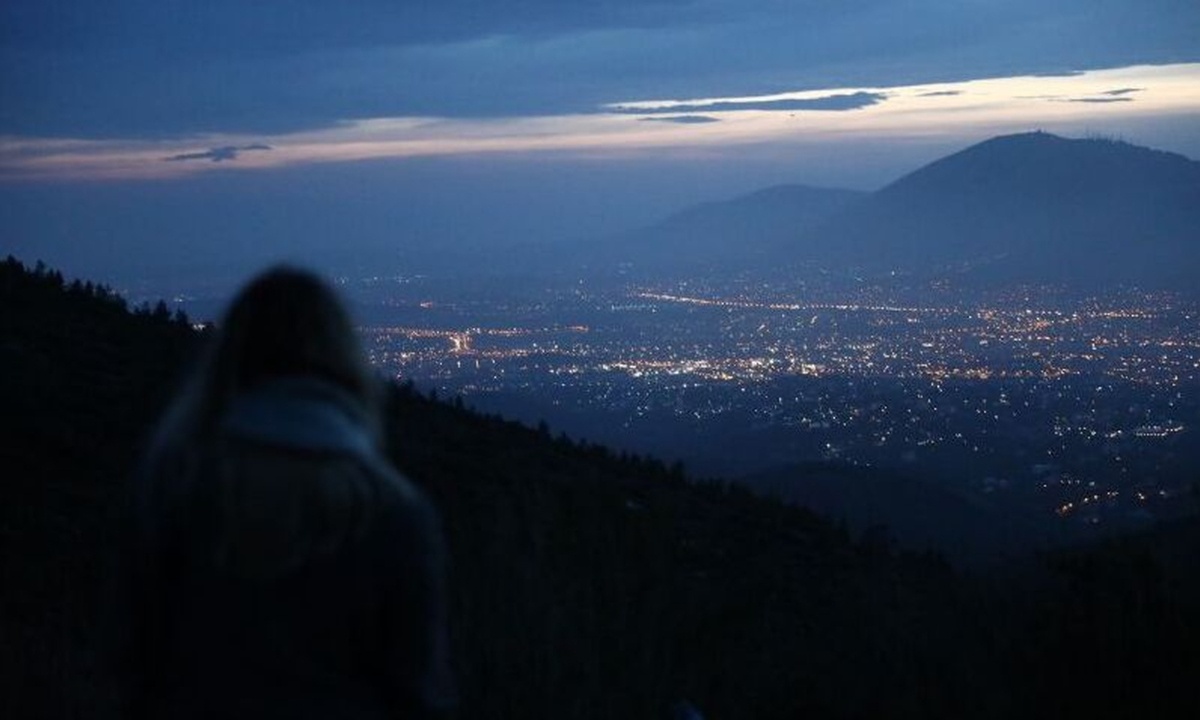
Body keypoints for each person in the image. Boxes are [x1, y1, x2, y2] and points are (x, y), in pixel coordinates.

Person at [113, 267, 455, 719]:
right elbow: (416, 692)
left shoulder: (173, 489)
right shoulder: (392, 511)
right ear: (345, 358)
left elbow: (137, 666)